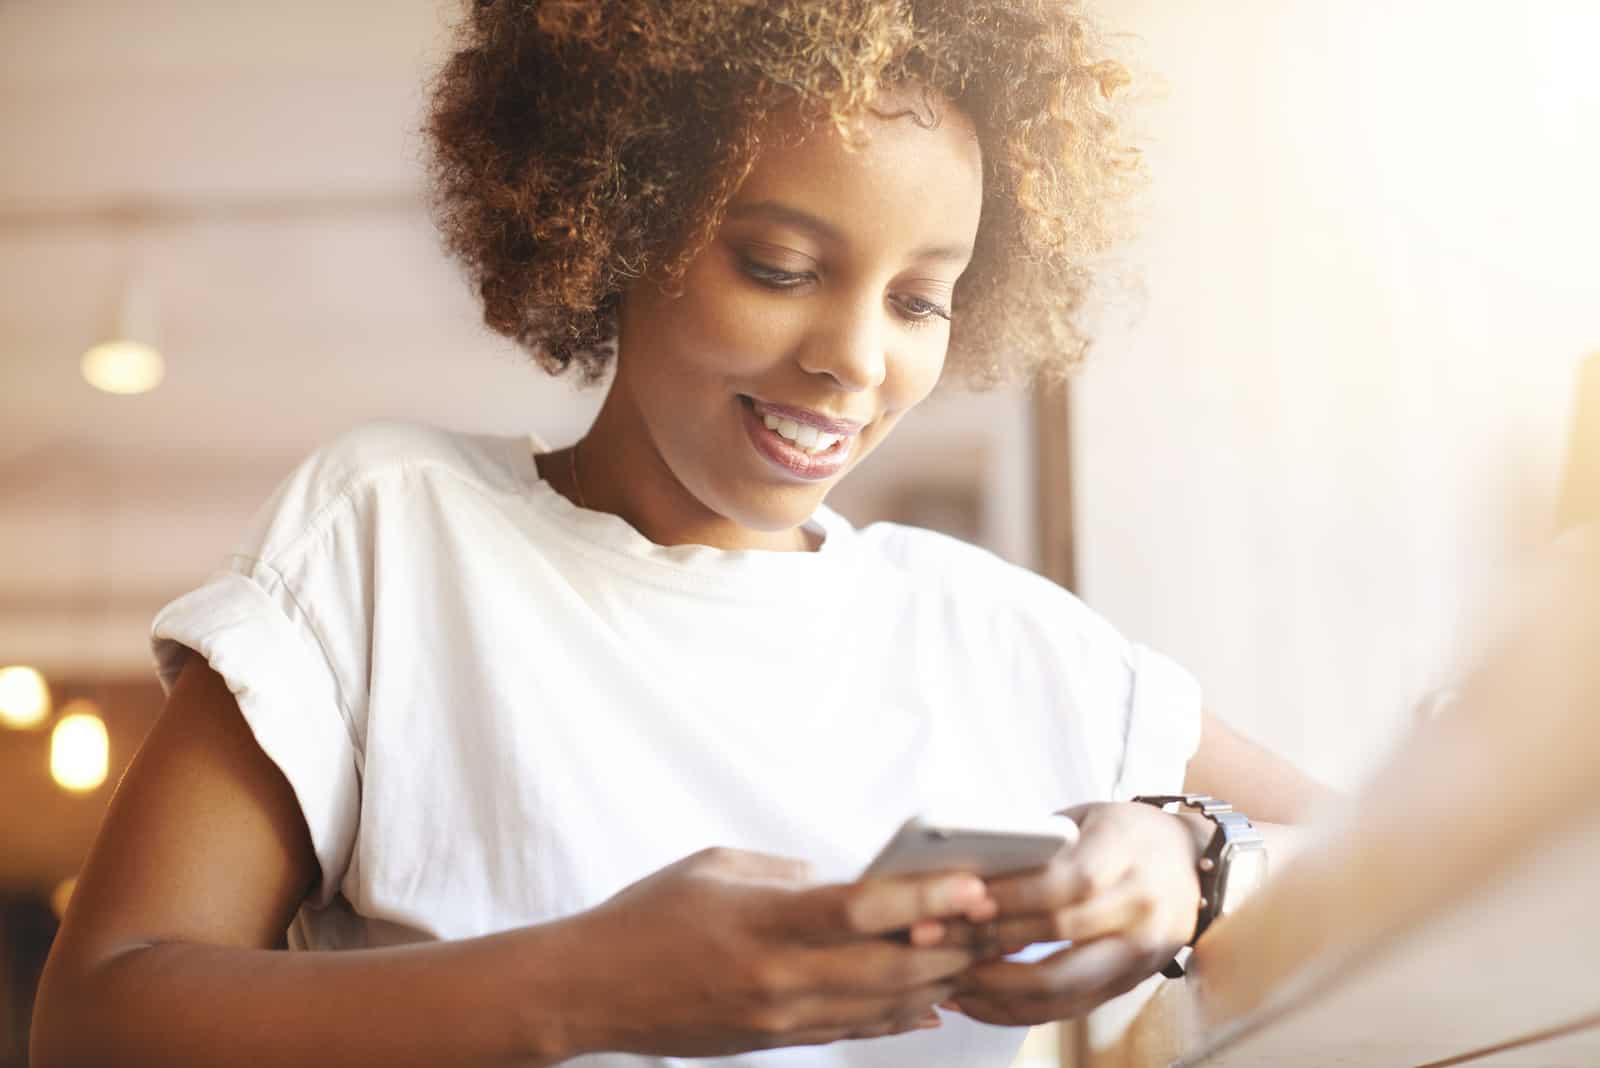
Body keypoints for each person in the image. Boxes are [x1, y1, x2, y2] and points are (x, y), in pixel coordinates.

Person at [31, 2, 1332, 1065]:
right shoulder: (395, 538)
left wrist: (1194, 858)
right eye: (778, 267)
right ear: (614, 214)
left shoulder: (995, 635)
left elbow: (1403, 858)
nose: (854, 359)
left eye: (922, 302)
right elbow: (97, 1019)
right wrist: (586, 986)